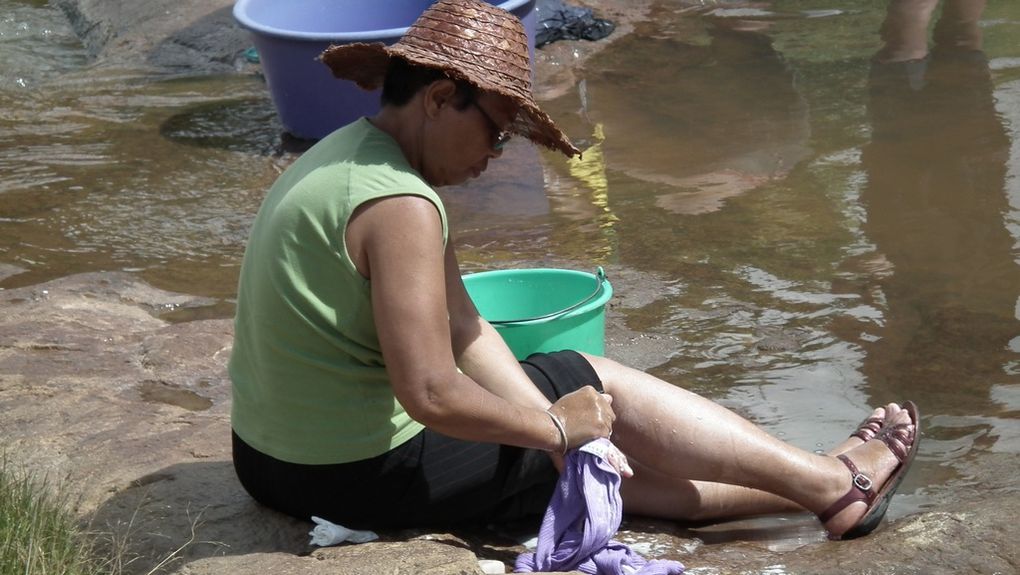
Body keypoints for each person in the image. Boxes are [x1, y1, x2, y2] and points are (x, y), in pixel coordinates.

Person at [229, 0, 919, 541]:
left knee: (580, 432)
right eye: (496, 130)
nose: (497, 153)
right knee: (593, 380)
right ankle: (832, 485)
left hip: (268, 461)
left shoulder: (348, 155)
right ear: (440, 99)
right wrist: (555, 426)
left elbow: (464, 324)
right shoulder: (402, 204)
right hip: (351, 473)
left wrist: (551, 423)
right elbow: (432, 395)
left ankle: (825, 479)